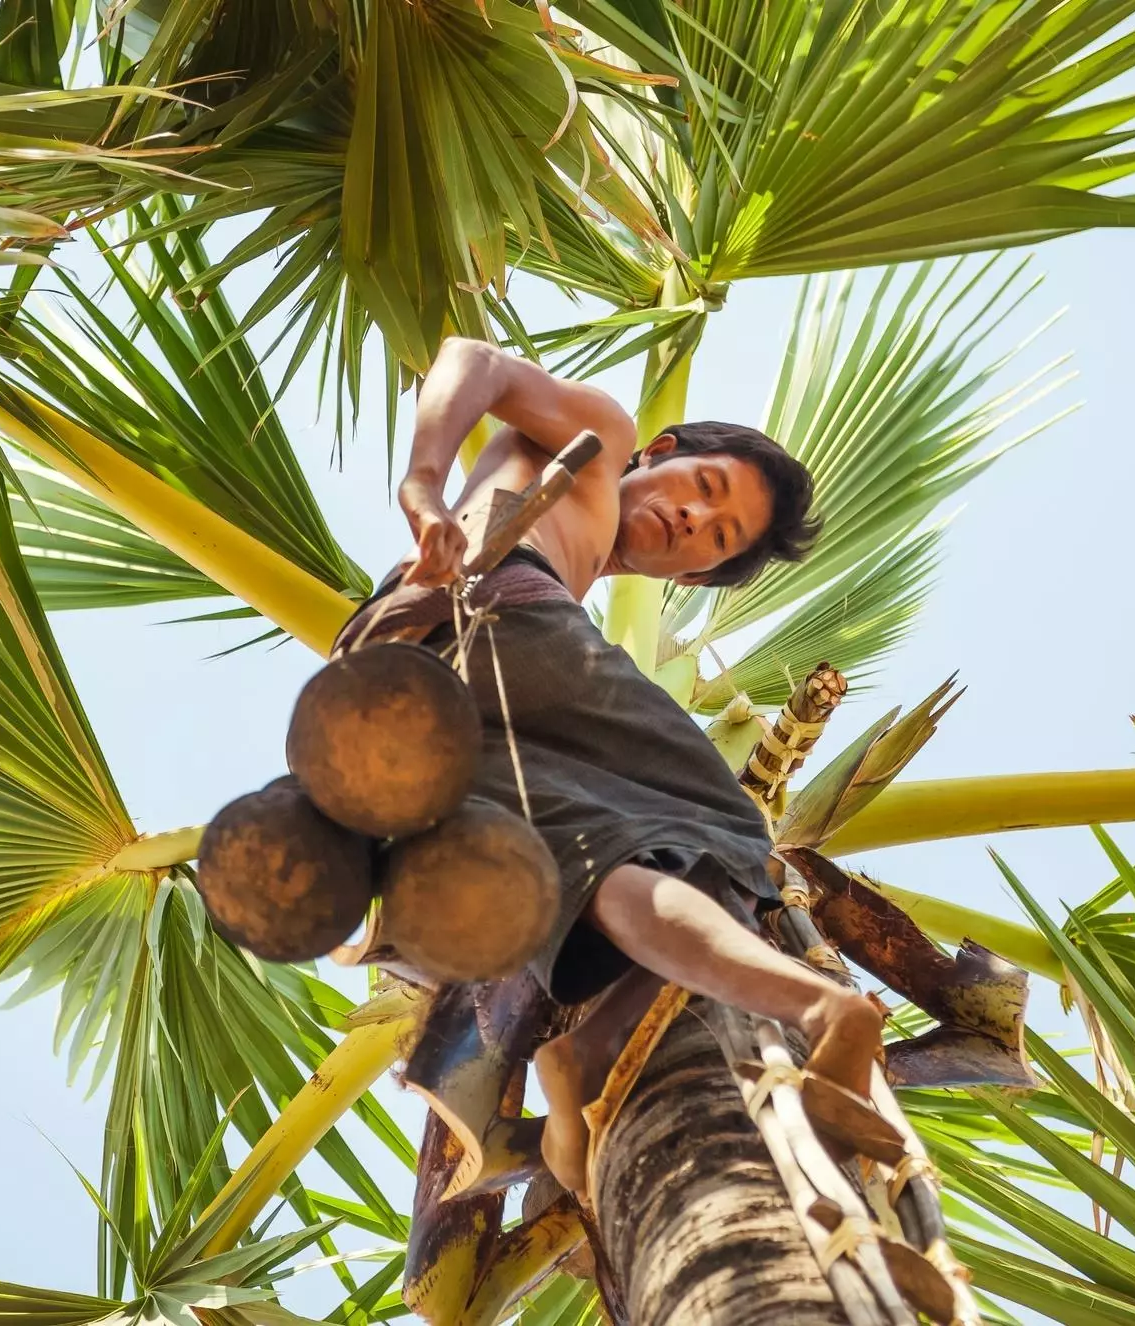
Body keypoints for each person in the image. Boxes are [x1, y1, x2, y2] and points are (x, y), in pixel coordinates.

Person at [348, 337, 883, 1195]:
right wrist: (422, 485)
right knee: (734, 830)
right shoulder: (597, 437)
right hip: (498, 616)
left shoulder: (584, 550)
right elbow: (469, 359)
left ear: (700, 575)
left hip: (404, 703)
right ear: (662, 452)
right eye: (704, 490)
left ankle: (584, 1058)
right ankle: (816, 1006)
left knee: (598, 853)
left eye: (715, 536)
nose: (691, 522)